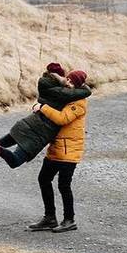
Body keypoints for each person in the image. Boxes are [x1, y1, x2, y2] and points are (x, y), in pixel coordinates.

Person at [0, 63, 91, 167]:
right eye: (67, 79)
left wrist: (63, 80)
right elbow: (81, 93)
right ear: (60, 77)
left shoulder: (45, 86)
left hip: (27, 124)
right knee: (15, 161)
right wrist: (84, 88)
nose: (68, 82)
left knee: (1, 141)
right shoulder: (64, 93)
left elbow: (69, 88)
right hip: (39, 133)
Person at [28, 69, 89, 233]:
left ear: (77, 85)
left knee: (64, 185)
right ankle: (50, 218)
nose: (67, 83)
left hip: (69, 152)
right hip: (56, 148)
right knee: (43, 179)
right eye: (67, 79)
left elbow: (62, 118)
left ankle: (69, 220)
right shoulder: (67, 97)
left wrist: (43, 107)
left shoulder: (79, 102)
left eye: (71, 81)